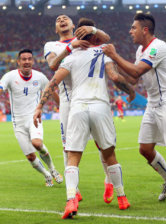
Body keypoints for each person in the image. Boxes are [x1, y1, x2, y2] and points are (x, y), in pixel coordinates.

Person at [34, 17, 135, 219]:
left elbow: (52, 81)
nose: (62, 20)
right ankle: (121, 197)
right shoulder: (103, 51)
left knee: (72, 156)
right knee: (109, 154)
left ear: (77, 31)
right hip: (100, 107)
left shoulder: (70, 57)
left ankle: (71, 199)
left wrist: (39, 106)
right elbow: (115, 78)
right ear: (94, 36)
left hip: (77, 107)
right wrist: (131, 91)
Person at [103, 13, 166, 212]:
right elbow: (135, 79)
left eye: (133, 28)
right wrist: (114, 74)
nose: (130, 31)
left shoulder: (158, 46)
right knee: (145, 149)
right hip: (152, 104)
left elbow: (136, 71)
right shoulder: (140, 50)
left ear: (145, 30)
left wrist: (114, 56)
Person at [44, 14, 113, 203]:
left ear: (74, 26)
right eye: (58, 19)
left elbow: (107, 40)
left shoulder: (89, 41)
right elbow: (52, 65)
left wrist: (92, 31)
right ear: (56, 29)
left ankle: (109, 180)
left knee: (103, 145)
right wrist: (69, 47)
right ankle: (73, 189)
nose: (62, 20)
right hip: (69, 102)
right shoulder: (52, 46)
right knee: (68, 147)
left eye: (66, 18)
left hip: (94, 96)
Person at [0, 49, 63, 187]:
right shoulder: (9, 76)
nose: (27, 61)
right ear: (18, 62)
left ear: (33, 61)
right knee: (30, 156)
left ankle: (52, 169)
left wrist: (62, 108)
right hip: (18, 122)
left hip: (34, 117)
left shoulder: (40, 77)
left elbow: (51, 91)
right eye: (24, 59)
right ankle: (47, 175)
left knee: (37, 143)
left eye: (29, 59)